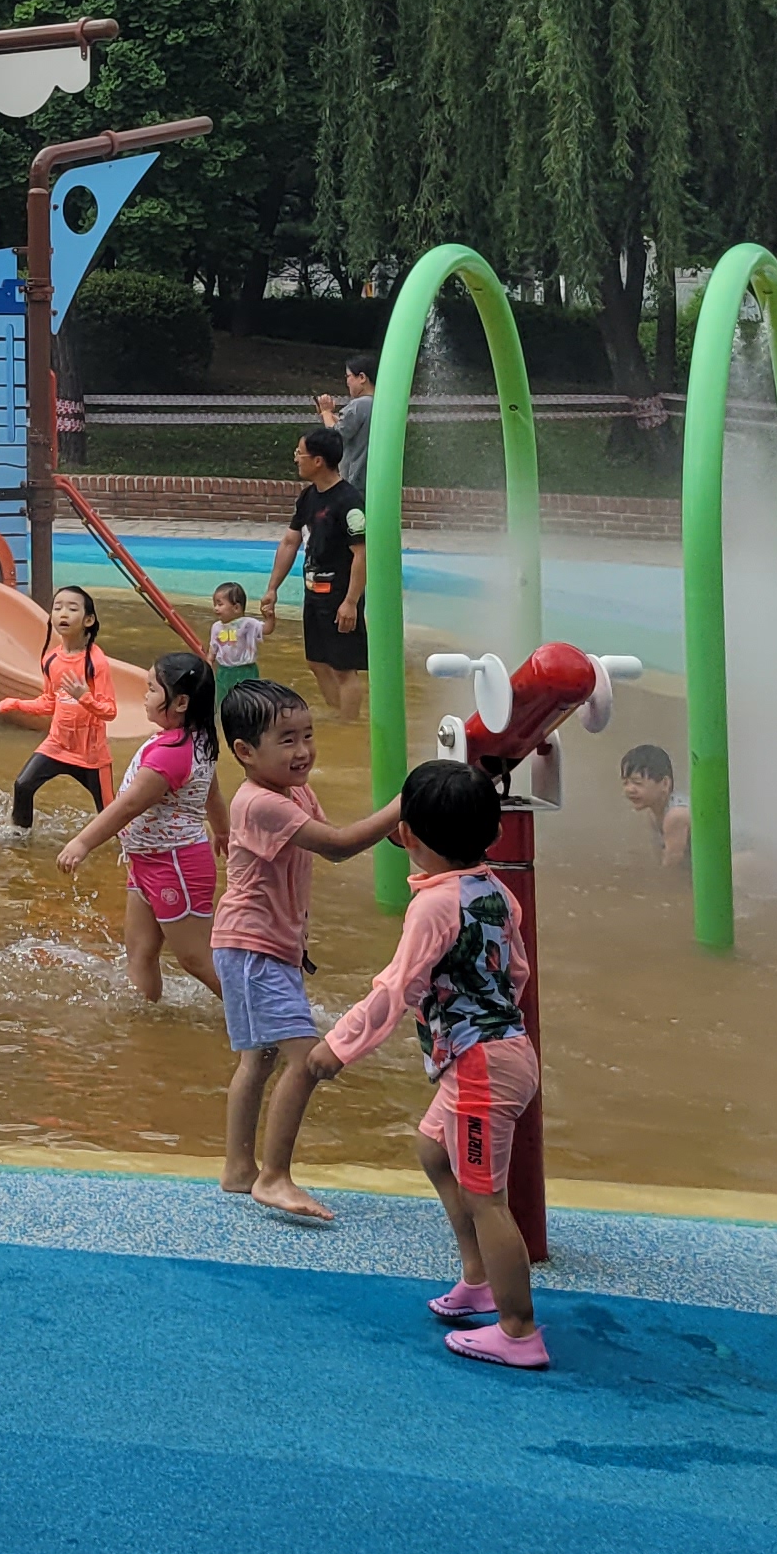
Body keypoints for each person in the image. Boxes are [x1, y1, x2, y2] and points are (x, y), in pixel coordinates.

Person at [306, 758, 546, 1369]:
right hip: (504, 1053)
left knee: (487, 1198)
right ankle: (479, 1278)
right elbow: (517, 971)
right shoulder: (494, 892)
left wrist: (339, 1046)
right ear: (494, 832)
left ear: (405, 833)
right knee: (434, 1149)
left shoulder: (434, 906)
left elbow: (397, 987)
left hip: (481, 1067)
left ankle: (519, 1331)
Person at [211, 679, 408, 1224]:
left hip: (264, 946)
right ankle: (273, 1177)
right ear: (245, 751)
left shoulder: (294, 794)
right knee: (307, 1060)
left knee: (258, 1058)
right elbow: (339, 847)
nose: (303, 751)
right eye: (287, 740)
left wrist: (401, 827)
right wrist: (402, 805)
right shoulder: (259, 803)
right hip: (252, 948)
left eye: (308, 735)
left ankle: (239, 1168)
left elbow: (332, 835)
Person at [54, 649, 226, 1005]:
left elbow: (129, 806)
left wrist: (83, 842)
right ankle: (144, 1023)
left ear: (180, 702)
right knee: (140, 951)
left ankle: (265, 1022)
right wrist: (223, 831)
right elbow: (211, 791)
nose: (144, 696)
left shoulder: (172, 753)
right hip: (148, 861)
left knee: (195, 958)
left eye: (151, 689)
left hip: (175, 865)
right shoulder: (193, 740)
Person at [264, 428, 368, 721]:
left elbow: (362, 554)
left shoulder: (348, 501)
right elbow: (290, 542)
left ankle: (350, 726)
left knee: (343, 668)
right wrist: (272, 588)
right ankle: (339, 716)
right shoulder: (308, 497)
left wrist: (350, 602)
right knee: (317, 662)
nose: (296, 458)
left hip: (339, 596)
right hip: (314, 592)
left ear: (318, 460)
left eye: (301, 453)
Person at [0, 588, 116, 832]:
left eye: (72, 608)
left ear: (89, 620)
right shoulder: (51, 659)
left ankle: (132, 848)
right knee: (23, 785)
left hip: (91, 754)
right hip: (57, 745)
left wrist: (84, 698)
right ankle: (19, 839)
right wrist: (13, 703)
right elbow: (49, 703)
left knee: (110, 814)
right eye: (57, 607)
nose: (63, 613)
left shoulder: (96, 662)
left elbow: (110, 711)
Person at [616, 743, 690, 868]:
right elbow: (660, 856)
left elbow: (672, 863)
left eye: (637, 782)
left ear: (665, 784)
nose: (629, 789)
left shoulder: (676, 815)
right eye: (625, 783)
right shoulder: (653, 812)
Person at [314, 354, 375, 490]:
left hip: (355, 483)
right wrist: (327, 415)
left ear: (362, 377)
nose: (347, 382)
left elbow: (336, 436)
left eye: (348, 376)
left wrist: (326, 412)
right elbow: (352, 428)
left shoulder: (358, 405)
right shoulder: (378, 405)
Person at [206, 580, 266, 710]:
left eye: (220, 604)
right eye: (215, 604)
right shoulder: (216, 627)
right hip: (224, 671)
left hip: (246, 669)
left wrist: (270, 618)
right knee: (223, 701)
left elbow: (266, 629)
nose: (215, 608)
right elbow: (213, 646)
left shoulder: (248, 624)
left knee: (248, 701)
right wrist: (209, 660)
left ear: (236, 608)